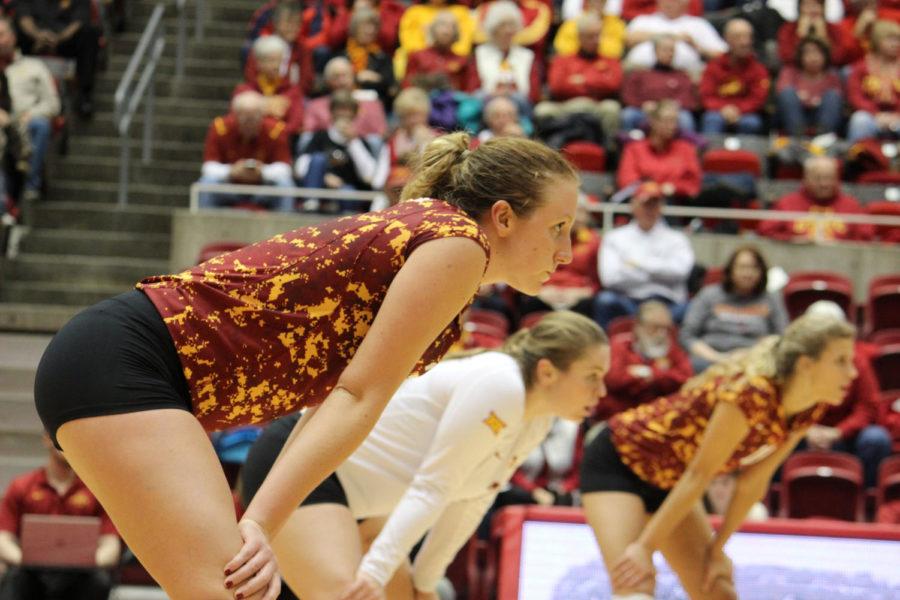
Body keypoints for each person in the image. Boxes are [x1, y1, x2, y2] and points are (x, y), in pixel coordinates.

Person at [32, 132, 581, 600]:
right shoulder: (458, 245)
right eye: (559, 227)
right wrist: (261, 523)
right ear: (504, 216)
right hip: (128, 361)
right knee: (234, 586)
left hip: (128, 363)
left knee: (236, 585)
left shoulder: (445, 248)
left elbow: (326, 402)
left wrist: (260, 519)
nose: (569, 251)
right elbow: (357, 397)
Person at [240, 311, 611, 599]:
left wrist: (426, 581)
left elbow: (471, 501)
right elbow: (432, 488)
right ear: (547, 372)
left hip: (367, 503)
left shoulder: (538, 421)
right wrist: (374, 573)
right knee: (350, 594)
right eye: (592, 375)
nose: (603, 389)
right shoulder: (500, 383)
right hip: (309, 465)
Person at [580, 312, 858, 599]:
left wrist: (717, 550)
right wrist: (644, 548)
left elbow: (753, 481)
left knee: (718, 591)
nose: (853, 372)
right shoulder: (752, 392)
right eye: (841, 361)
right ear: (806, 364)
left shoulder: (809, 408)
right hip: (619, 460)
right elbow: (700, 474)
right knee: (634, 588)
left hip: (672, 481)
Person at [0, 433, 121, 600]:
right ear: (46, 439)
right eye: (58, 436)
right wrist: (24, 559)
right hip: (31, 573)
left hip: (81, 575)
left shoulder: (96, 490)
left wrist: (88, 561)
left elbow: (111, 546)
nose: (64, 444)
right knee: (14, 578)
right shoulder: (21, 486)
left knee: (99, 580)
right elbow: (3, 538)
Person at [801, 300, 892, 487]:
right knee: (775, 436)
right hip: (803, 431)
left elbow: (868, 407)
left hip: (845, 434)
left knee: (876, 439)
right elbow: (785, 404)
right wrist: (805, 430)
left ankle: (866, 502)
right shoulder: (796, 361)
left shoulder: (856, 360)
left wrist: (838, 432)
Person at [594, 185, 695, 329]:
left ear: (661, 207)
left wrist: (636, 265)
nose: (649, 209)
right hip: (628, 301)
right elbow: (610, 279)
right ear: (633, 205)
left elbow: (680, 273)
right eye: (645, 204)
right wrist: (660, 272)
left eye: (654, 204)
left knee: (694, 307)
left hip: (668, 304)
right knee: (605, 300)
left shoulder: (678, 239)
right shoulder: (614, 238)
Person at [680, 246, 788, 374]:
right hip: (709, 359)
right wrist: (720, 358)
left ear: (762, 272)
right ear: (730, 270)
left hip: (754, 362)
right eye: (742, 267)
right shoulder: (709, 295)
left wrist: (752, 354)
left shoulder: (772, 299)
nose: (748, 273)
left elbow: (783, 338)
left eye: (754, 268)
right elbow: (687, 336)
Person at [196, 91, 296, 213]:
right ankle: (205, 226)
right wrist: (232, 171)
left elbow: (285, 168)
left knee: (285, 185)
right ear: (235, 115)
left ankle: (286, 230)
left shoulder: (276, 130)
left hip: (263, 189)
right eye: (245, 119)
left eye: (254, 119)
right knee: (207, 183)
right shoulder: (219, 128)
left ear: (262, 116)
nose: (249, 124)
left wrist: (262, 172)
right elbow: (208, 167)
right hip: (230, 187)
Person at [595, 301, 692, 423]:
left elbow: (685, 379)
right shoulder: (619, 344)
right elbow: (614, 379)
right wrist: (662, 378)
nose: (661, 334)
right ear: (639, 326)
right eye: (654, 327)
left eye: (666, 328)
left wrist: (650, 374)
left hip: (659, 418)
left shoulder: (672, 349)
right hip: (617, 418)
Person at [295, 90, 390, 214]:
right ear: (332, 112)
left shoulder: (361, 142)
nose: (344, 114)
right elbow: (299, 169)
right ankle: (311, 204)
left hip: (347, 193)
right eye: (340, 109)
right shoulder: (319, 137)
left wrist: (353, 142)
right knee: (318, 159)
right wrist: (323, 177)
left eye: (348, 109)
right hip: (319, 190)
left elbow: (370, 177)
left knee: (347, 192)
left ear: (354, 113)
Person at [536, 12, 624, 142]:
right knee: (542, 110)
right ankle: (546, 153)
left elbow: (613, 85)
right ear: (580, 37)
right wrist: (597, 82)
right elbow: (557, 87)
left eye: (598, 35)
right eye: (591, 36)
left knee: (612, 108)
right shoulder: (562, 60)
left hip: (597, 105)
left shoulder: (611, 60)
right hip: (565, 106)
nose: (596, 40)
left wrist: (583, 81)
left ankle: (609, 153)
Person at [0, 17, 60, 203]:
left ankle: (29, 184)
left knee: (40, 125)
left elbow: (53, 104)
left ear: (13, 37)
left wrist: (30, 115)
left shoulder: (34, 67)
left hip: (25, 122)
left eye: (1, 35)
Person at [13, 0, 100, 117]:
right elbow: (23, 18)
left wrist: (58, 39)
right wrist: (38, 36)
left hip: (65, 42)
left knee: (90, 33)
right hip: (32, 40)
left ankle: (84, 96)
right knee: (9, 30)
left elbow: (79, 21)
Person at [758, 155, 875, 242]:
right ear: (806, 179)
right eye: (818, 178)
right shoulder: (786, 203)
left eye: (829, 178)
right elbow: (765, 231)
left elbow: (866, 236)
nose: (824, 184)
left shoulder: (852, 206)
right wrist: (791, 240)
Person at [617, 100, 703, 203]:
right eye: (667, 120)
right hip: (642, 202)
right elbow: (626, 181)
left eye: (675, 121)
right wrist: (656, 189)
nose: (672, 126)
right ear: (652, 121)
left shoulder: (686, 149)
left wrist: (675, 187)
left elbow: (694, 185)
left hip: (676, 204)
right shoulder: (634, 149)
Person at [698, 19, 770, 135]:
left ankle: (747, 153)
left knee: (751, 122)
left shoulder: (759, 69)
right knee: (712, 119)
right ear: (727, 39)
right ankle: (711, 153)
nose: (744, 42)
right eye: (738, 37)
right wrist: (724, 109)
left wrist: (738, 110)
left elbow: (758, 99)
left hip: (746, 114)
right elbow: (706, 96)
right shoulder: (714, 66)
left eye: (747, 37)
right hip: (718, 112)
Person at [620, 34, 698, 133]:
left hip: (672, 113)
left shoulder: (682, 76)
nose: (669, 53)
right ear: (655, 51)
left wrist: (670, 107)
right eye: (665, 50)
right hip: (644, 112)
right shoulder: (640, 74)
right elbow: (628, 95)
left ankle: (686, 147)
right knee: (628, 115)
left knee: (685, 118)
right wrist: (642, 105)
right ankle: (628, 145)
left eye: (672, 50)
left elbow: (689, 99)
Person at [623, 0, 727, 74]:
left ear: (686, 2)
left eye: (675, 0)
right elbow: (627, 40)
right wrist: (664, 37)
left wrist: (696, 46)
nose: (669, 2)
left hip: (685, 76)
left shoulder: (698, 24)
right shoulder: (643, 20)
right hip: (642, 73)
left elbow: (722, 54)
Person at [468, 1, 542, 106]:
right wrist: (494, 94)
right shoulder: (479, 54)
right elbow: (472, 90)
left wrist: (512, 93)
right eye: (502, 25)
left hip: (519, 107)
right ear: (493, 29)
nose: (508, 30)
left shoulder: (527, 56)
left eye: (512, 25)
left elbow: (534, 95)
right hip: (486, 105)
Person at [234, 35, 304, 136]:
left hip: (281, 142)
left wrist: (274, 134)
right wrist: (268, 107)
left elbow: (296, 123)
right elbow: (235, 121)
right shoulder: (244, 91)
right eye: (271, 60)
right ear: (258, 62)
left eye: (279, 61)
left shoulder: (292, 91)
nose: (276, 66)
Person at [775, 36, 844, 138]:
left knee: (833, 97)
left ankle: (822, 141)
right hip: (795, 118)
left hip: (821, 118)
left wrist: (806, 99)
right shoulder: (789, 72)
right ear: (800, 56)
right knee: (787, 94)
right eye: (808, 53)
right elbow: (782, 92)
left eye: (817, 53)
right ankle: (799, 139)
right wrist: (811, 100)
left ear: (825, 56)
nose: (813, 57)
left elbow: (837, 98)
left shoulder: (832, 76)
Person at [304, 57, 389, 139]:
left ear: (353, 77)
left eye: (345, 75)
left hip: (362, 148)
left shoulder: (371, 104)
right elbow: (307, 136)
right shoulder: (315, 106)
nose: (342, 81)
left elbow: (381, 135)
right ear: (327, 81)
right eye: (336, 77)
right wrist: (333, 134)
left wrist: (355, 135)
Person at [846, 19, 899, 143]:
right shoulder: (861, 67)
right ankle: (859, 157)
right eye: (890, 39)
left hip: (898, 115)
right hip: (870, 115)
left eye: (898, 40)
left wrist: (896, 115)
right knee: (859, 120)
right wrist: (876, 114)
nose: (896, 44)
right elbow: (855, 96)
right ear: (877, 41)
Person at [403, 11, 474, 91]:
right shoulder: (417, 56)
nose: (446, 31)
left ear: (456, 33)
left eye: (452, 27)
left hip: (454, 100)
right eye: (442, 25)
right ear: (432, 29)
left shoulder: (463, 60)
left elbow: (470, 90)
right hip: (422, 100)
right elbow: (408, 85)